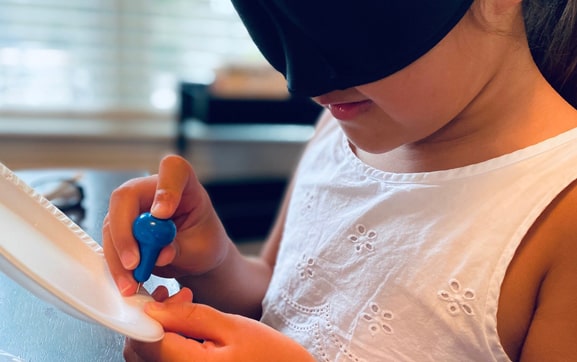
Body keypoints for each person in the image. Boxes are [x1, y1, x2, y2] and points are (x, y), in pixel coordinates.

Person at [103, 0, 577, 360]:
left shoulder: (563, 210)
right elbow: (283, 300)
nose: (305, 82)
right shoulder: (341, 123)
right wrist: (214, 265)